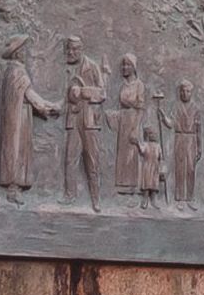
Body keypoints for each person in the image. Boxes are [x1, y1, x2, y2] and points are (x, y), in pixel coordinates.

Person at [0, 34, 60, 191]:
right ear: (17, 53)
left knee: (17, 148)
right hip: (19, 117)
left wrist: (47, 105)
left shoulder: (12, 71)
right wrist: (49, 106)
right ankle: (13, 185)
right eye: (23, 50)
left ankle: (15, 186)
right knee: (17, 148)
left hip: (19, 114)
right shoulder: (17, 72)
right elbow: (31, 96)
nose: (26, 53)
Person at [61, 36, 108, 208]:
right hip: (73, 119)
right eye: (69, 49)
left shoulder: (92, 67)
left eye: (74, 49)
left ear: (81, 49)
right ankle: (69, 195)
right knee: (70, 158)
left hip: (89, 120)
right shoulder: (67, 69)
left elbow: (103, 93)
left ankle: (96, 199)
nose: (71, 53)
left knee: (92, 159)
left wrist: (82, 91)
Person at [114, 54, 145, 195]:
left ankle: (133, 186)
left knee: (132, 153)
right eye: (123, 65)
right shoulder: (123, 85)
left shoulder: (139, 85)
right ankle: (122, 185)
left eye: (127, 65)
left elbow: (140, 108)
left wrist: (136, 128)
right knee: (122, 152)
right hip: (123, 120)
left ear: (134, 67)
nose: (124, 67)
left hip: (133, 119)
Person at [171, 79, 202, 206]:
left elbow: (199, 130)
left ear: (191, 93)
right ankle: (179, 197)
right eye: (182, 91)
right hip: (179, 139)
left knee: (190, 168)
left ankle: (189, 197)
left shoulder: (196, 109)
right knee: (179, 167)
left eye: (188, 91)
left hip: (191, 139)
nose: (185, 93)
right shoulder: (176, 107)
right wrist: (162, 116)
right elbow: (171, 123)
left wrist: (199, 147)